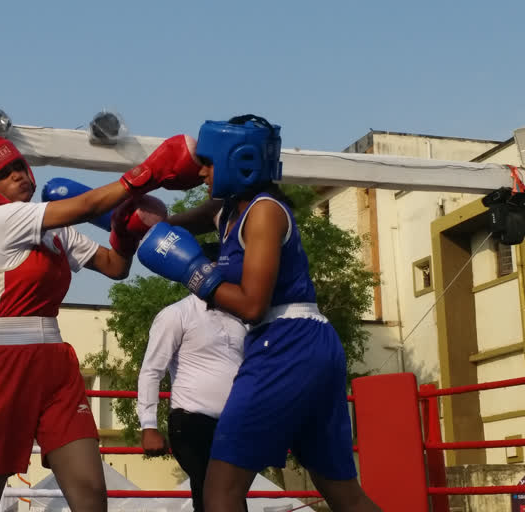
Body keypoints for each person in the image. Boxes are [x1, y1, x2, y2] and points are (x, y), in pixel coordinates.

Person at [0, 134, 202, 512]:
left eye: (19, 166)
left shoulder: (57, 229)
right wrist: (147, 174)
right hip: (5, 362)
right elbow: (86, 205)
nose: (17, 175)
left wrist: (126, 234)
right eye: (4, 173)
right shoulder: (0, 221)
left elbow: (115, 267)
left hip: (55, 362)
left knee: (91, 496)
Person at [137, 115, 383, 512]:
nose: (201, 170)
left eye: (209, 162)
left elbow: (253, 305)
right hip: (305, 344)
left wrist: (194, 273)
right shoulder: (229, 210)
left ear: (241, 161)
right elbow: (179, 225)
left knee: (221, 491)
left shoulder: (264, 212)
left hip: (284, 340)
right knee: (340, 491)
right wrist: (143, 226)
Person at [137, 291, 247, 512]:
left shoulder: (241, 316)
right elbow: (151, 370)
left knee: (230, 494)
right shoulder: (176, 314)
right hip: (191, 420)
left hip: (235, 424)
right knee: (213, 491)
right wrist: (148, 425)